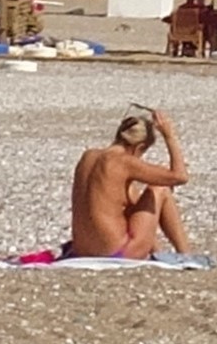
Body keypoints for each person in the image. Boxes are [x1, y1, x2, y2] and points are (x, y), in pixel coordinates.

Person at [69, 110, 192, 258]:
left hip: (82, 250)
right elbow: (180, 177)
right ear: (139, 147)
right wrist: (169, 136)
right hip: (116, 252)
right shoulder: (124, 161)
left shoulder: (88, 156)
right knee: (160, 189)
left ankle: (157, 252)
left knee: (130, 194)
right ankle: (186, 254)